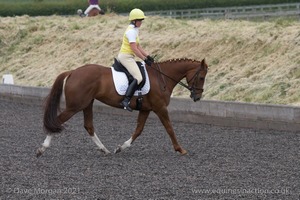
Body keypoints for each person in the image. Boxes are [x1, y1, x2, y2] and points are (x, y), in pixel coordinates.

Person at [118, 8, 154, 112]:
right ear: (134, 21)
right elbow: (134, 48)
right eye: (140, 20)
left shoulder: (135, 30)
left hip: (130, 56)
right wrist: (144, 59)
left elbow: (138, 46)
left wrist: (148, 56)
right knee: (138, 77)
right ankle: (126, 100)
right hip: (126, 57)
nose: (141, 22)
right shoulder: (131, 32)